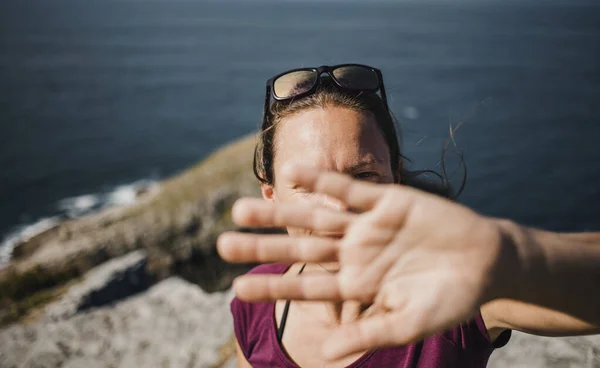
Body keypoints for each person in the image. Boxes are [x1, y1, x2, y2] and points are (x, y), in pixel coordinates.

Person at [217, 64, 600, 367]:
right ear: (271, 194)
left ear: (395, 179)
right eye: (308, 184)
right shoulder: (256, 305)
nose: (338, 208)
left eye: (364, 176)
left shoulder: (453, 286)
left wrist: (511, 256)